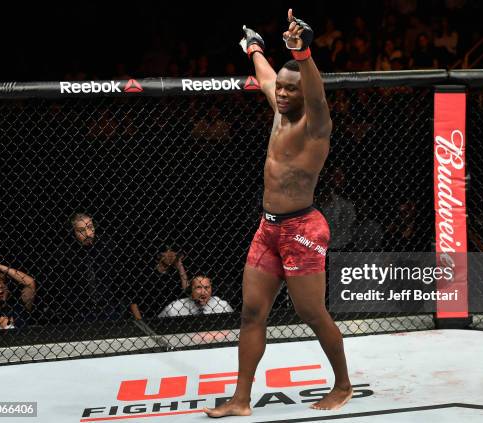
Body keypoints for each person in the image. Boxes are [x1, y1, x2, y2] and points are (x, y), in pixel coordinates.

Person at [205, 9, 352, 418]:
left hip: (302, 228)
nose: (282, 94)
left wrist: (301, 51)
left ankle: (342, 384)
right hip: (267, 228)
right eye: (281, 90)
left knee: (310, 312)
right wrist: (254, 46)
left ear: (302, 91)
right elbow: (268, 76)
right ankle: (240, 399)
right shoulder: (279, 105)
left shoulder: (315, 125)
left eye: (291, 90)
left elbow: (317, 95)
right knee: (252, 311)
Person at [131, 247, 189, 320]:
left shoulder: (175, 274)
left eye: (173, 251)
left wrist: (180, 265)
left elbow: (186, 290)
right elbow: (133, 302)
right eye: (166, 251)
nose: (170, 255)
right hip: (147, 316)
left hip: (169, 316)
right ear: (158, 255)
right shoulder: (146, 273)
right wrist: (140, 321)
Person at [158, 275, 233, 317]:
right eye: (198, 287)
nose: (203, 292)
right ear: (191, 290)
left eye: (207, 287)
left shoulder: (223, 306)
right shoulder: (174, 308)